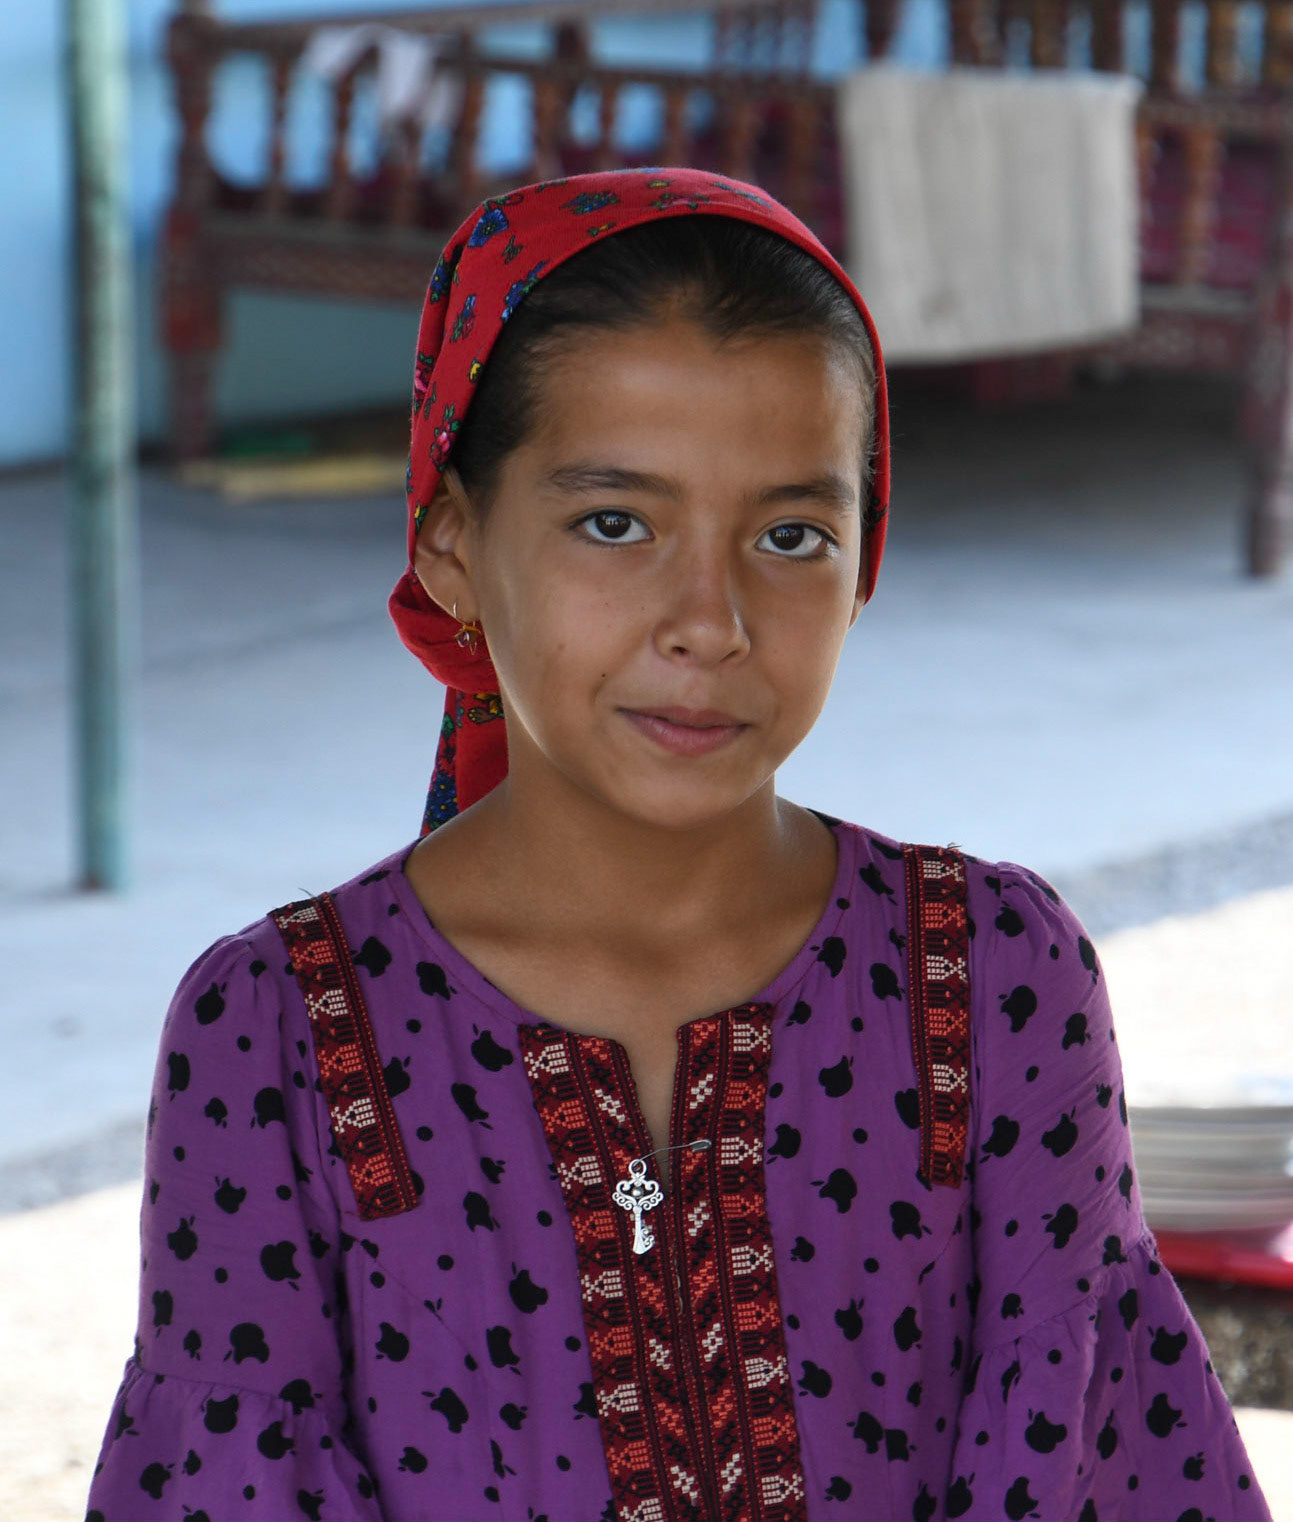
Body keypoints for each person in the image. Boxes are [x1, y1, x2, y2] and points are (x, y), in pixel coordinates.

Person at [86, 167, 1271, 1522]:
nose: (707, 618)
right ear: (455, 548)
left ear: (863, 556)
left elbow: (1085, 1454)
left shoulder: (989, 977)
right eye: (615, 522)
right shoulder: (279, 1031)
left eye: (788, 533)